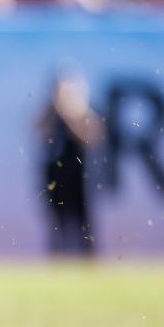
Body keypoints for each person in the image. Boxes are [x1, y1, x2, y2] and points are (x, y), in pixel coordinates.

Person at [37, 64, 104, 256]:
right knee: (56, 221)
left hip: (79, 174)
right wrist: (53, 111)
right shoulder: (49, 112)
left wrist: (70, 115)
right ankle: (57, 258)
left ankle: (88, 259)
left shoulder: (83, 111)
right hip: (55, 174)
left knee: (83, 221)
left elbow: (92, 137)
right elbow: (37, 130)